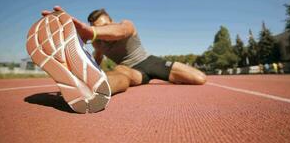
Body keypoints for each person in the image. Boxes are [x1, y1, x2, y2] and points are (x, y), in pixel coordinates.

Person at [42, 6, 207, 95]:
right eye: (97, 28)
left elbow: (119, 32)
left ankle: (169, 76)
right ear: (93, 28)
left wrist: (91, 32)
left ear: (112, 21)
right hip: (130, 70)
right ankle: (93, 88)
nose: (103, 30)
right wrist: (79, 54)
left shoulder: (126, 25)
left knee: (199, 78)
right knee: (120, 72)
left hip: (151, 62)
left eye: (106, 25)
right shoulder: (98, 43)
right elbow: (96, 60)